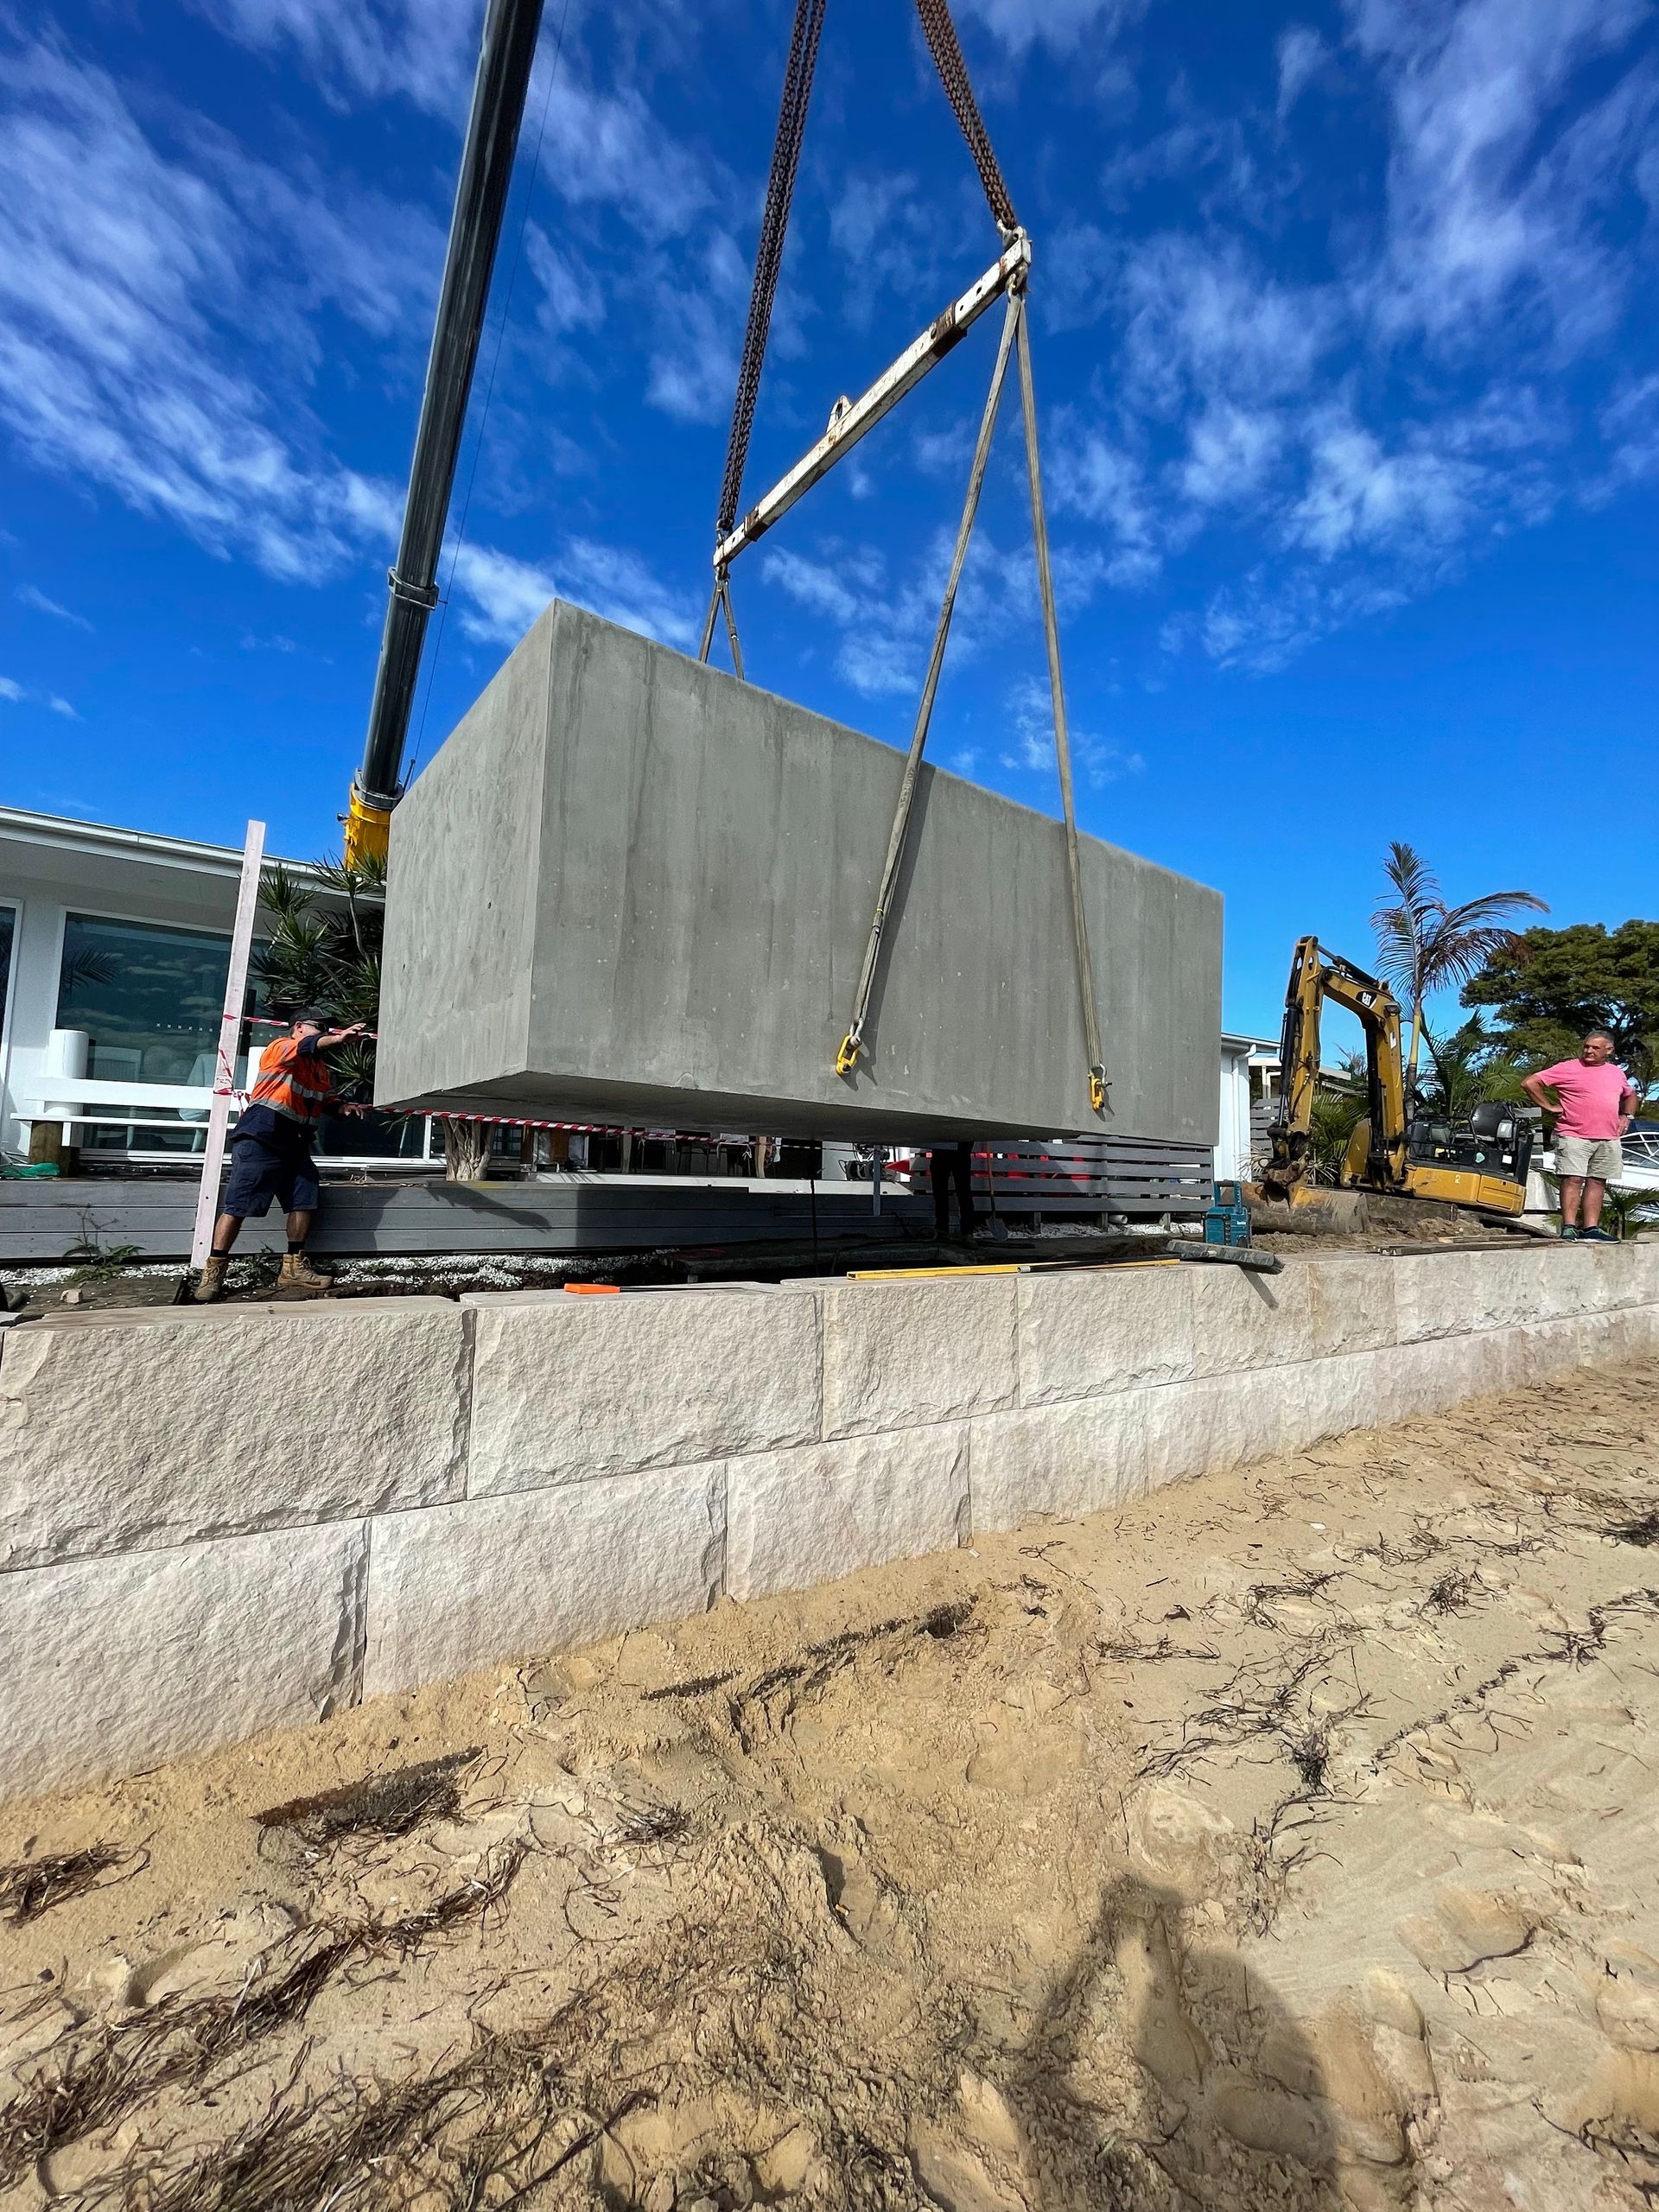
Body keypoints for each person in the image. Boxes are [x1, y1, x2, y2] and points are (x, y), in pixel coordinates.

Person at [194, 1011, 367, 1302]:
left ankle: (293, 1267)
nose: (323, 1032)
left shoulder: (320, 1070)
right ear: (298, 1028)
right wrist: (338, 1038)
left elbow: (325, 1099)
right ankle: (214, 1270)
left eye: (327, 1029)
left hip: (296, 1143)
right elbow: (306, 1047)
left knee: (304, 1199)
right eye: (319, 1028)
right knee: (238, 1205)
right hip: (261, 1138)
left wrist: (342, 1108)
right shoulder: (280, 1047)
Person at [1523, 1032, 1639, 1242]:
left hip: (1608, 1136)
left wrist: (1626, 1116)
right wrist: (1548, 1106)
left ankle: (1591, 1229)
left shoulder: (1616, 1073)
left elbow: (1630, 1095)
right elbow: (1530, 1083)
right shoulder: (1568, 1067)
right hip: (1574, 1134)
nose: (1589, 1051)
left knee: (1597, 1181)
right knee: (1573, 1178)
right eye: (1587, 1046)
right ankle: (1568, 1227)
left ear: (1609, 1050)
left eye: (1595, 1048)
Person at [930, 1139, 978, 1240]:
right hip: (957, 1147)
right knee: (962, 1192)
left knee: (944, 1192)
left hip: (945, 1147)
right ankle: (966, 1232)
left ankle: (944, 1229)